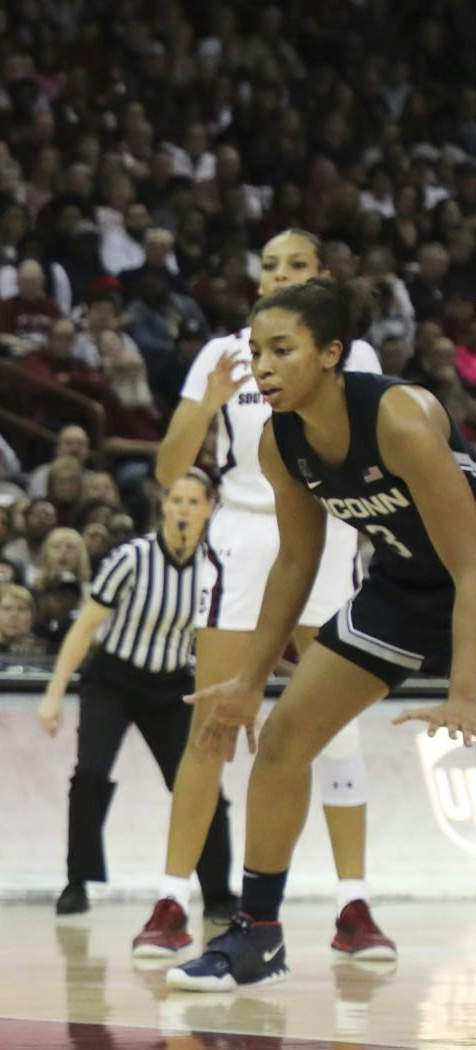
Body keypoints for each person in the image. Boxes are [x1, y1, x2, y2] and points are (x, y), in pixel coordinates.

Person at [171, 280, 476, 991]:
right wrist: (249, 678)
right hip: (404, 591)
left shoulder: (398, 417)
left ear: (333, 353)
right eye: (255, 352)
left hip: (470, 579)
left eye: (282, 350)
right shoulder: (282, 443)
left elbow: (470, 561)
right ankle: (257, 936)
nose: (263, 367)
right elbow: (298, 560)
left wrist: (465, 691)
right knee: (282, 742)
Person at [145, 230, 392, 957]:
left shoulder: (354, 353)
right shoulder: (222, 354)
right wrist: (210, 401)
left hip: (331, 532)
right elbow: (167, 468)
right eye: (270, 267)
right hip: (245, 537)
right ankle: (170, 898)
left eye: (296, 266)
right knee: (213, 722)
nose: (279, 276)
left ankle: (354, 907)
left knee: (333, 728)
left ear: (322, 278)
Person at [37, 474, 233, 929]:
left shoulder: (217, 567)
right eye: (177, 501)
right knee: (89, 775)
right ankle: (77, 883)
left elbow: (218, 641)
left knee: (201, 788)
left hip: (171, 687)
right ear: (164, 507)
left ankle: (219, 892)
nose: (184, 509)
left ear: (209, 508)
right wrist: (54, 694)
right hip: (113, 680)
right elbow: (85, 627)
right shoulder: (131, 558)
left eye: (193, 502)